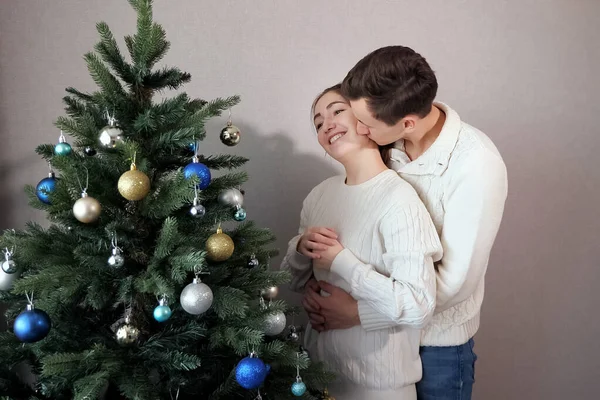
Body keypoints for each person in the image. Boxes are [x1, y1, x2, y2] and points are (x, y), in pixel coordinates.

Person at [301, 46, 508, 400]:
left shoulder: (477, 166)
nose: (358, 128)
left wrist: (357, 313)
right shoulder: (386, 135)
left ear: (407, 122)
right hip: (379, 345)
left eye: (364, 122)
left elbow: (455, 281)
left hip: (437, 345)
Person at [281, 84, 443, 400]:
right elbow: (293, 282)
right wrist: (301, 248)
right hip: (321, 378)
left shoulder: (399, 199)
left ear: (368, 118)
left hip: (380, 387)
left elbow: (418, 305)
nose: (326, 124)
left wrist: (342, 262)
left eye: (337, 111)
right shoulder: (319, 196)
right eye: (317, 122)